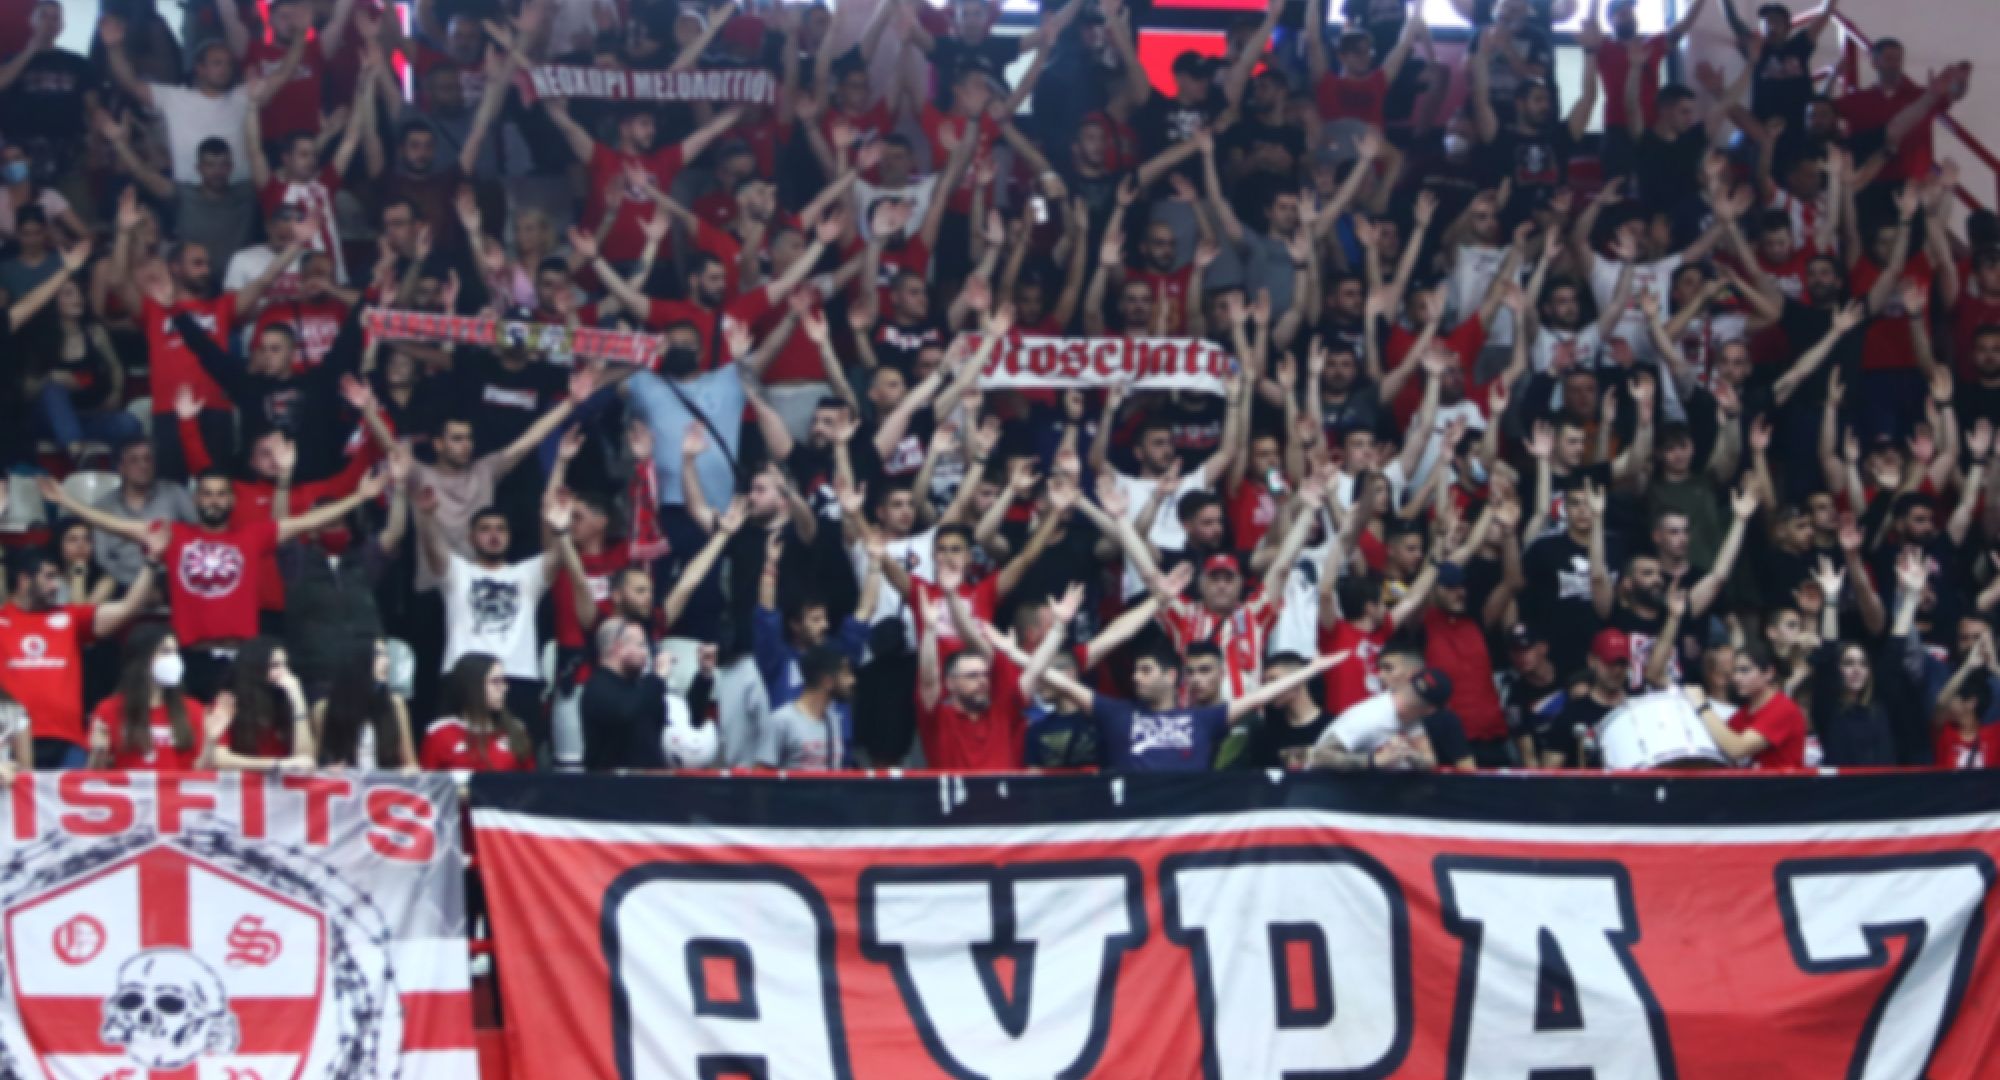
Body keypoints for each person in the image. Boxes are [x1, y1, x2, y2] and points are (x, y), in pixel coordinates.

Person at [0, 542, 158, 768]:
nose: (56, 585)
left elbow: (128, 607)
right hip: (11, 740)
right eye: (49, 577)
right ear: (24, 580)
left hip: (69, 742)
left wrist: (151, 562)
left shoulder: (72, 617)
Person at [87, 625, 219, 771]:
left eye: (176, 652)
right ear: (142, 658)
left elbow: (200, 774)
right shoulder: (109, 709)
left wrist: (210, 741)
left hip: (175, 786)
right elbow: (94, 776)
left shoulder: (192, 709)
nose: (174, 659)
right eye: (165, 652)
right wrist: (98, 751)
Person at [1302, 667, 1457, 770]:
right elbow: (1319, 756)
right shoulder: (1371, 717)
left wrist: (1410, 755)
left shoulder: (1412, 718)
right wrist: (1374, 761)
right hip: (1321, 795)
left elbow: (1430, 761)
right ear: (1431, 710)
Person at [1689, 641, 1807, 769]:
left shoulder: (1783, 708)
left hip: (1783, 782)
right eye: (1735, 671)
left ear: (1768, 673)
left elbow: (1737, 749)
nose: (1736, 677)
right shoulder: (1741, 715)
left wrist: (1702, 706)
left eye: (1745, 670)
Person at [208, 637, 315, 770]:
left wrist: (297, 698)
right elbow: (217, 758)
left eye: (286, 665)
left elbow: (306, 759)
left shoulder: (285, 700)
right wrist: (277, 765)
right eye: (274, 665)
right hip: (243, 779)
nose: (284, 672)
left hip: (281, 780)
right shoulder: (229, 700)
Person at [421, 653, 534, 771]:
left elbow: (531, 780)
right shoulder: (439, 733)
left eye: (503, 681)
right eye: (495, 681)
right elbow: (428, 781)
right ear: (472, 686)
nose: (505, 688)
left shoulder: (517, 729)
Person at [315, 639, 417, 771]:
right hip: (344, 782)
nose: (387, 662)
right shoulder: (324, 709)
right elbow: (315, 766)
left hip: (383, 782)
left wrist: (405, 771)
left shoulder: (395, 705)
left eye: (386, 655)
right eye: (378, 654)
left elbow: (411, 765)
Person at [758, 644, 853, 770]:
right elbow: (761, 774)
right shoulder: (782, 721)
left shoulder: (833, 720)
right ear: (827, 681)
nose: (852, 680)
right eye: (845, 673)